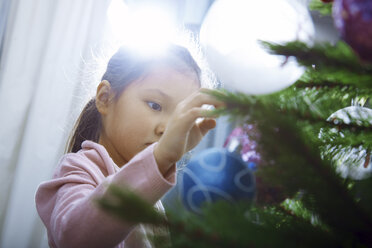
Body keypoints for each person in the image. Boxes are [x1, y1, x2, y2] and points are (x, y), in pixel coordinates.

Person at [35, 43, 224, 248]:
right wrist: (160, 158)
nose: (167, 129)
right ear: (105, 98)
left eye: (178, 117)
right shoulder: (80, 168)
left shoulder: (151, 198)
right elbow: (75, 239)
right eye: (155, 105)